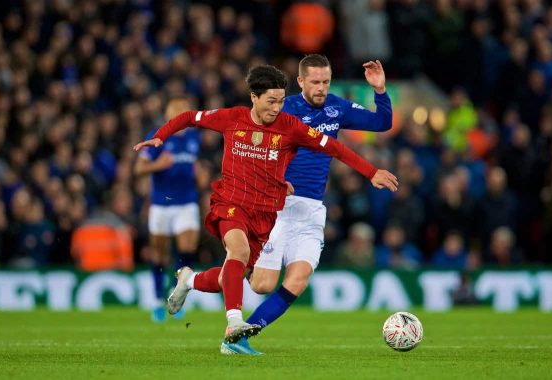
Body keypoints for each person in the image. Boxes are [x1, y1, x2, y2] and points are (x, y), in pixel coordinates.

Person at [132, 65, 399, 348]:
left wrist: (370, 172)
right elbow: (189, 116)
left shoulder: (294, 124)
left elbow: (334, 148)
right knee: (238, 251)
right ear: (254, 97)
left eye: (280, 101)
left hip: (270, 210)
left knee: (257, 283)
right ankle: (234, 325)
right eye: (271, 101)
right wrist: (161, 135)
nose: (277, 107)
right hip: (234, 203)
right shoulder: (233, 118)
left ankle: (191, 280)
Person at [227, 54, 393, 355]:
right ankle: (206, 276)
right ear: (301, 81)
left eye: (326, 82)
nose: (320, 88)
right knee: (262, 285)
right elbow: (252, 143)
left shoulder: (337, 107)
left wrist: (380, 91)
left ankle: (238, 340)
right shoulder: (283, 108)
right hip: (277, 207)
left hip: (312, 209)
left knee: (299, 279)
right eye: (314, 82)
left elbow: (382, 123)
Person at [134, 97, 201, 322]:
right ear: (168, 116)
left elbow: (194, 164)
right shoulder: (157, 137)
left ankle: (176, 295)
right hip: (161, 204)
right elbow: (138, 169)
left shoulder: (194, 138)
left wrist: (199, 172)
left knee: (186, 250)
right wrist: (157, 166)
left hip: (186, 203)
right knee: (159, 254)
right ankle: (155, 301)